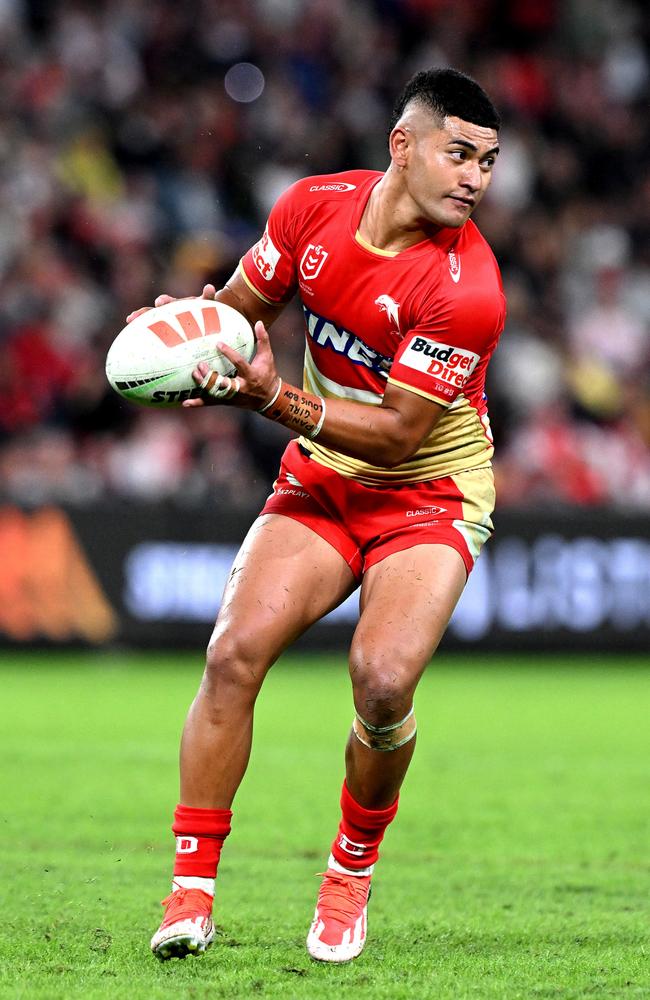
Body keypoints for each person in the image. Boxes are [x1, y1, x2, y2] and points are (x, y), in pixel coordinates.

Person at [142, 67, 505, 964]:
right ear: (403, 146)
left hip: (426, 493)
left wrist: (271, 402)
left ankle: (349, 870)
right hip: (321, 480)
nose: (475, 178)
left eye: (488, 162)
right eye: (459, 153)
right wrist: (185, 333)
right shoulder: (311, 208)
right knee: (231, 654)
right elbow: (237, 312)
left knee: (382, 684)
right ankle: (191, 890)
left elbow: (395, 435)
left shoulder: (468, 288)